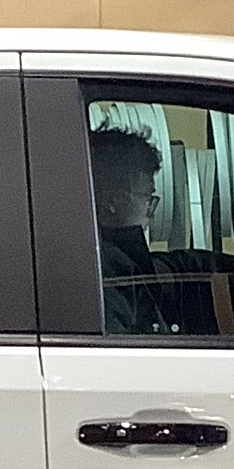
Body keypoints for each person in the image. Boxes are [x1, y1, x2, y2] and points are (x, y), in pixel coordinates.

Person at [88, 127, 176, 335]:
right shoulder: (109, 271)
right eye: (147, 197)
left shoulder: (113, 259)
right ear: (112, 201)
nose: (151, 211)